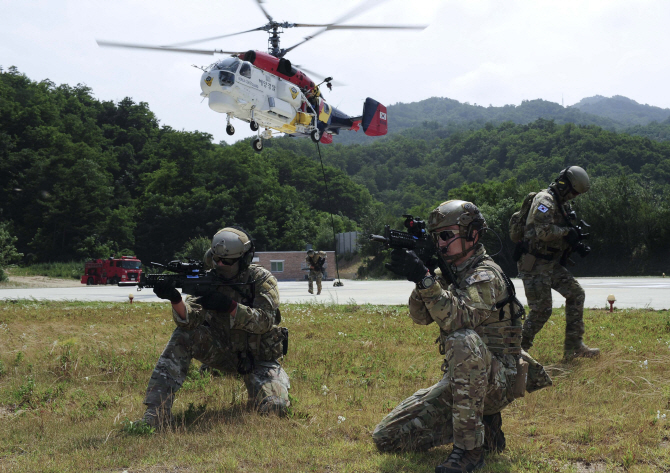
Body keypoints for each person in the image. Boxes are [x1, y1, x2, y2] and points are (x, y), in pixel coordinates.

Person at [372, 200, 551, 473]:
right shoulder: (449, 272)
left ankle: (470, 450)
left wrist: (424, 277)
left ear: (473, 234)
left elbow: (458, 319)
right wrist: (425, 277)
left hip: (499, 380)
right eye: (436, 237)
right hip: (467, 383)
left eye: (446, 235)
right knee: (386, 437)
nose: (440, 243)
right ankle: (486, 428)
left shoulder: (485, 274)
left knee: (461, 339)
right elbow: (420, 317)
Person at [138, 227, 290, 428]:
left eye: (226, 261)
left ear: (243, 259)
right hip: (221, 352)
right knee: (184, 335)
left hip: (258, 359)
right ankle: (156, 414)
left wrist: (230, 306)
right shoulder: (208, 279)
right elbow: (189, 320)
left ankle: (260, 393)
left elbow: (264, 322)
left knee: (275, 408)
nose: (219, 264)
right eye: (216, 259)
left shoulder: (261, 279)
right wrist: (176, 300)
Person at [517, 166, 599, 360]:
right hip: (534, 262)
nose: (574, 196)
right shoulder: (544, 200)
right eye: (574, 192)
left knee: (576, 294)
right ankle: (515, 352)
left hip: (549, 263)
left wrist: (574, 240)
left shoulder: (562, 203)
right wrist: (565, 233)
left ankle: (574, 347)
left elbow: (563, 229)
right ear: (565, 185)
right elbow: (542, 232)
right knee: (541, 311)